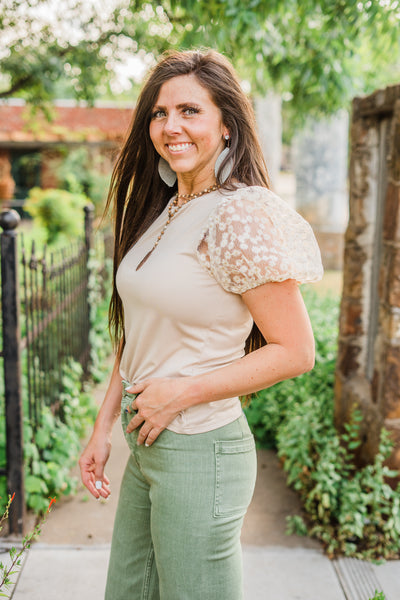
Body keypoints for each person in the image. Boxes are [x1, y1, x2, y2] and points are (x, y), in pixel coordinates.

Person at [79, 49, 323, 600]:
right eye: (160, 113)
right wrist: (103, 424)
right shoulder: (164, 208)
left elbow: (296, 351)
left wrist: (180, 394)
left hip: (200, 449)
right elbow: (138, 327)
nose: (171, 126)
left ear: (227, 125)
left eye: (190, 110)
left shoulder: (240, 214)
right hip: (147, 444)